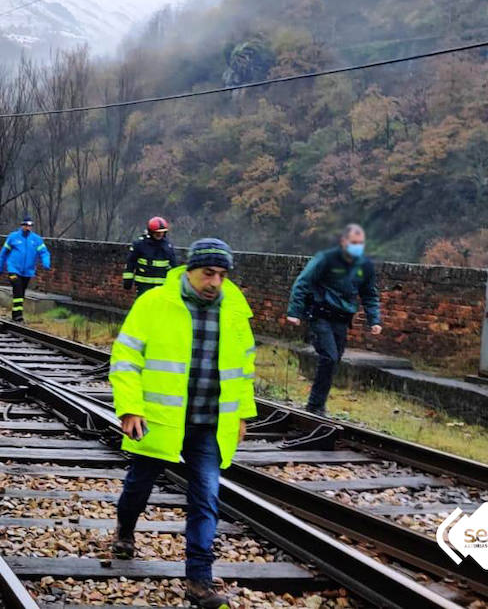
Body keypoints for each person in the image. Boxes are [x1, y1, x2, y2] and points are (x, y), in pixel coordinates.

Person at [109, 238, 255, 609]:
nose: (215, 282)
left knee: (206, 497)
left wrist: (241, 414)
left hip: (209, 424)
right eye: (209, 273)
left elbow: (244, 369)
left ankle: (199, 580)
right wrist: (130, 408)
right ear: (190, 271)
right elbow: (125, 357)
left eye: (222, 275)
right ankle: (126, 528)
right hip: (160, 420)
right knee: (139, 486)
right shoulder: (155, 303)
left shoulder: (235, 310)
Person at [286, 224, 382, 416]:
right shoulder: (326, 259)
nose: (357, 246)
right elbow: (303, 282)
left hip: (341, 318)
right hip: (320, 314)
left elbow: (369, 294)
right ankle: (315, 405)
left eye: (360, 243)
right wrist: (294, 312)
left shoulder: (364, 266)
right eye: (354, 243)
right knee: (329, 356)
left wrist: (374, 320)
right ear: (343, 242)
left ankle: (317, 402)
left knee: (335, 359)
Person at [0, 215, 51, 322]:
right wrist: (0, 267)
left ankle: (16, 315)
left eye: (30, 225)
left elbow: (44, 252)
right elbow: (3, 253)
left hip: (27, 271)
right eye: (26, 225)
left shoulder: (36, 240)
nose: (28, 227)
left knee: (21, 292)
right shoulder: (13, 237)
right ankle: (17, 315)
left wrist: (46, 263)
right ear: (22, 225)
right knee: (17, 289)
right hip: (13, 269)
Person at [123, 216, 177, 297]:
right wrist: (128, 280)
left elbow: (174, 266)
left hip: (162, 286)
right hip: (144, 285)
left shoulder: (168, 246)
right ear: (151, 232)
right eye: (157, 232)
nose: (160, 234)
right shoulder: (140, 244)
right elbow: (131, 262)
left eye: (162, 232)